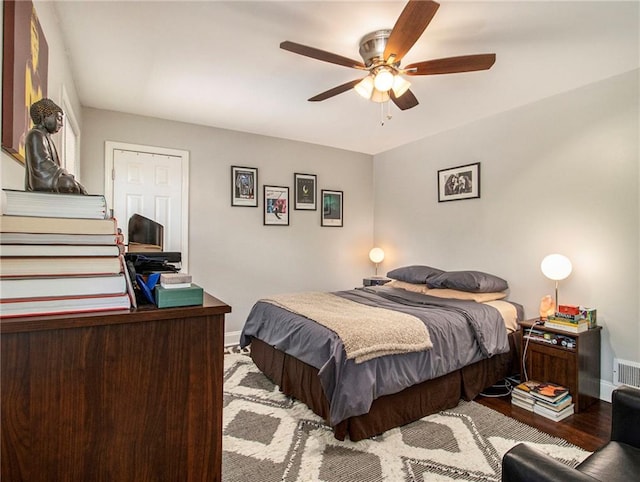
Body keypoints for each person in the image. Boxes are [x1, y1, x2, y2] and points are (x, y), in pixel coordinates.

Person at [24, 98, 87, 194]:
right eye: (59, 119)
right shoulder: (35, 135)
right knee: (68, 183)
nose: (61, 124)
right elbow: (42, 164)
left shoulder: (47, 138)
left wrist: (63, 173)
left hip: (51, 177)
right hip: (42, 179)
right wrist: (63, 174)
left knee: (77, 186)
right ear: (44, 116)